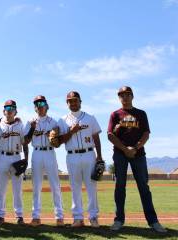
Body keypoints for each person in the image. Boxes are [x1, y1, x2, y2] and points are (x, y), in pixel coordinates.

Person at [108, 86, 167, 233]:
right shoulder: (115, 114)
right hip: (120, 154)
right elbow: (110, 135)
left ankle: (153, 221)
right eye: (121, 95)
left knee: (143, 187)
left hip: (138, 154)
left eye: (127, 94)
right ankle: (119, 220)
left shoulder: (141, 113)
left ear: (132, 96)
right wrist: (125, 149)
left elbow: (146, 133)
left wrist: (135, 148)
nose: (124, 97)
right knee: (120, 187)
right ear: (119, 98)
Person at [58, 91, 102, 228]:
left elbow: (96, 137)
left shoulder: (90, 118)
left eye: (75, 100)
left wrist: (99, 156)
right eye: (70, 101)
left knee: (91, 187)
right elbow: (60, 141)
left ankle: (93, 217)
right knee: (75, 187)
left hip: (89, 154)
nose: (73, 103)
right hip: (72, 155)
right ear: (67, 103)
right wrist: (71, 131)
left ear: (80, 101)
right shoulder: (62, 120)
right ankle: (78, 218)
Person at [24, 95, 64, 227]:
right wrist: (32, 128)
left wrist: (54, 136)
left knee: (55, 185)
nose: (39, 106)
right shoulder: (30, 122)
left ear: (47, 106)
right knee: (36, 186)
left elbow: (58, 142)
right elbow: (25, 141)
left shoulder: (53, 122)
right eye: (37, 104)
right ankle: (36, 217)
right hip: (36, 153)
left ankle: (59, 217)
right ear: (35, 108)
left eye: (42, 104)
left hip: (49, 153)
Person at [0, 100, 28, 225]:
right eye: (7, 108)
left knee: (17, 189)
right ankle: (0, 215)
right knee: (1, 189)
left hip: (16, 157)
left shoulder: (20, 125)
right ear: (3, 111)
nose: (9, 110)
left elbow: (24, 143)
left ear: (15, 111)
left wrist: (25, 159)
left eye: (12, 108)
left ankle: (19, 215)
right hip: (2, 156)